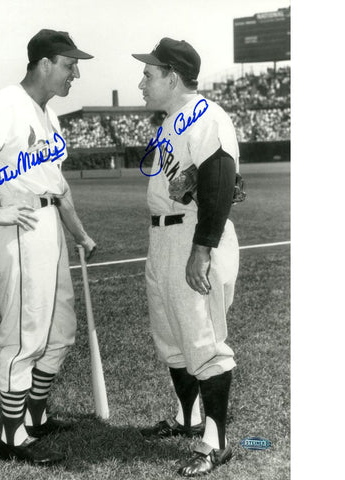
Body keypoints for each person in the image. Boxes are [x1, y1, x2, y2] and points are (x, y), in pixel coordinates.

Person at [0, 29, 96, 466]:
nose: (76, 73)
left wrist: (80, 234)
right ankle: (12, 440)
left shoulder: (48, 115)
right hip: (19, 225)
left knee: (60, 330)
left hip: (45, 224)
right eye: (69, 64)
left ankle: (35, 416)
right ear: (45, 63)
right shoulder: (7, 102)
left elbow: (58, 185)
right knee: (24, 336)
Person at [132, 38, 241, 477]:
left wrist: (202, 250)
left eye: (149, 74)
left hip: (192, 240)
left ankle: (217, 442)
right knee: (173, 339)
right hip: (163, 239)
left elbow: (219, 180)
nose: (142, 82)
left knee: (203, 342)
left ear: (173, 76)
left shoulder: (208, 118)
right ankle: (188, 417)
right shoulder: (171, 123)